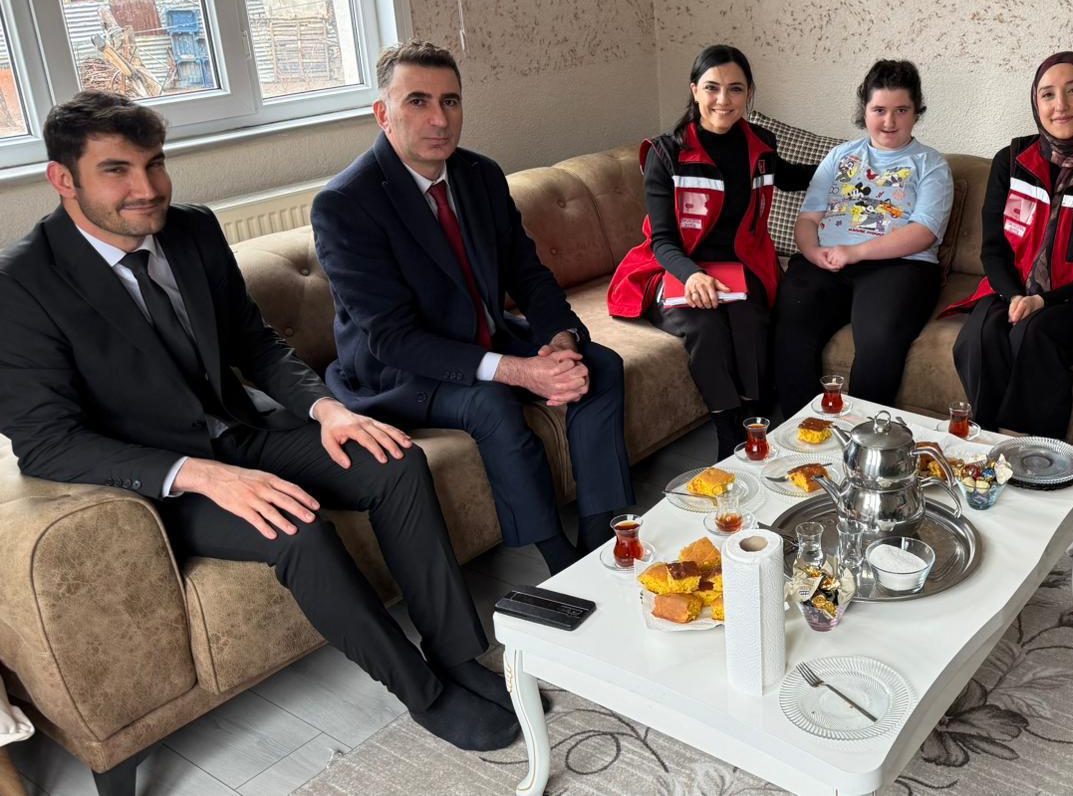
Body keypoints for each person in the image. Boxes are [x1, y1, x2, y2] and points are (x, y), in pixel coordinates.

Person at [0, 91, 518, 751]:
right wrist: (201, 476)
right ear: (63, 178)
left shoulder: (192, 229)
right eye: (117, 170)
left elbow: (255, 342)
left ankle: (456, 653)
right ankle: (422, 690)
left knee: (395, 460)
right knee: (296, 527)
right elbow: (47, 444)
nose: (147, 188)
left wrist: (328, 409)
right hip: (162, 479)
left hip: (243, 427)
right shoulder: (21, 284)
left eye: (155, 164)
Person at [312, 40, 632, 574]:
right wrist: (519, 371)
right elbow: (392, 339)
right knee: (491, 402)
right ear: (383, 113)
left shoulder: (479, 175)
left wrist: (560, 342)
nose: (439, 119)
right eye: (418, 101)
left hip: (486, 335)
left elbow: (527, 273)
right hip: (401, 370)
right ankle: (558, 558)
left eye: (451, 101)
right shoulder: (346, 204)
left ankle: (600, 535)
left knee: (599, 365)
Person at [607, 44, 815, 457]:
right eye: (712, 88)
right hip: (677, 268)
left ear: (749, 93)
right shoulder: (666, 154)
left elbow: (790, 176)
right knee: (705, 327)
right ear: (694, 91)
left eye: (735, 89)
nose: (723, 100)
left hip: (742, 267)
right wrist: (693, 275)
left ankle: (755, 421)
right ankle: (728, 433)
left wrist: (850, 163)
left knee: (749, 318)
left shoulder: (761, 145)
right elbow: (663, 240)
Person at [944, 51, 1073, 438]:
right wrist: (1014, 296)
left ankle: (1029, 451)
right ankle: (984, 443)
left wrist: (1043, 301)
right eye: (1048, 94)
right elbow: (993, 249)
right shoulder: (1012, 161)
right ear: (1036, 103)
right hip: (1014, 288)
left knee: (1034, 333)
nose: (1061, 105)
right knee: (980, 334)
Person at [771, 60, 953, 417]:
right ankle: (805, 430)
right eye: (879, 110)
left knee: (880, 339)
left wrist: (855, 252)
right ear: (864, 110)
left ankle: (866, 436)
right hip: (826, 262)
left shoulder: (930, 164)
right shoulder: (840, 156)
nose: (889, 121)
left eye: (901, 110)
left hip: (899, 266)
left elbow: (924, 232)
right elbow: (808, 218)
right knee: (791, 324)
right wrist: (812, 252)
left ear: (916, 112)